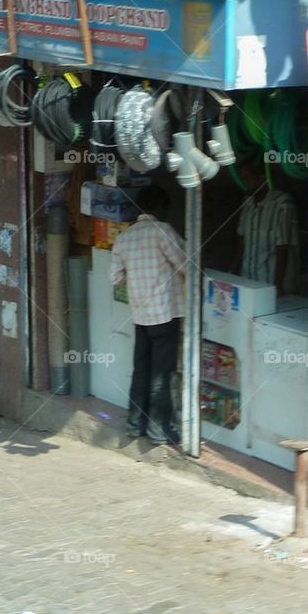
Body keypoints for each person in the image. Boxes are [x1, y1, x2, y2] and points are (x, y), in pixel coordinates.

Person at [109, 185, 187, 447]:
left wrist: (138, 280)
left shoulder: (125, 237)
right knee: (161, 374)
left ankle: (134, 424)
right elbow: (188, 265)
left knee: (141, 369)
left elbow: (115, 277)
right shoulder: (163, 232)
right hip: (164, 314)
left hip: (140, 314)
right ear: (161, 207)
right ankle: (157, 430)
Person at [231, 160, 299, 296]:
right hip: (248, 280)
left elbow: (283, 248)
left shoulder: (282, 203)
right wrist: (232, 273)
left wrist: (277, 287)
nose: (244, 184)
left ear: (262, 179)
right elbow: (242, 240)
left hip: (270, 283)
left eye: (247, 179)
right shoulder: (248, 202)